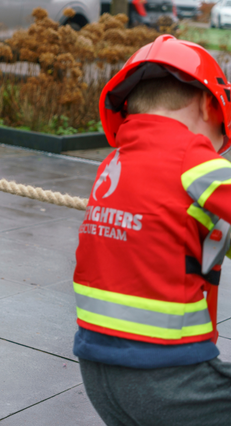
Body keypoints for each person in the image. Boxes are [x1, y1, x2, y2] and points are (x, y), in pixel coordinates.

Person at [73, 34, 231, 426]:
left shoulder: (114, 165)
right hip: (167, 374)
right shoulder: (192, 156)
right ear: (210, 106)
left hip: (97, 370)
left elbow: (164, 232)